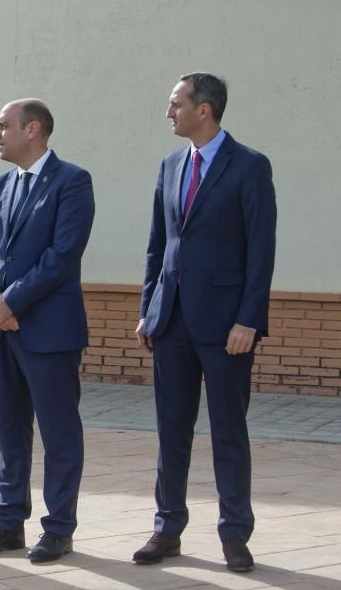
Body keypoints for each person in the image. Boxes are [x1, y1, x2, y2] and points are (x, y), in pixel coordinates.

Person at [133, 73, 276, 573]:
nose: (168, 112)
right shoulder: (171, 165)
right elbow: (158, 245)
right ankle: (166, 527)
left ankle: (235, 533)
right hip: (170, 323)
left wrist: (248, 321)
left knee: (228, 432)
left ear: (205, 109)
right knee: (172, 431)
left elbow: (261, 252)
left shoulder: (250, 167)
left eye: (175, 104)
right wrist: (149, 310)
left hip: (226, 328)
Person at [0, 99, 94, 563]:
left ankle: (58, 527)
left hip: (48, 331)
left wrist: (12, 302)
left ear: (33, 129)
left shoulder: (72, 182)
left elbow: (62, 255)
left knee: (59, 432)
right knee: (9, 432)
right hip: (0, 331)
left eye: (3, 126)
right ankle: (7, 523)